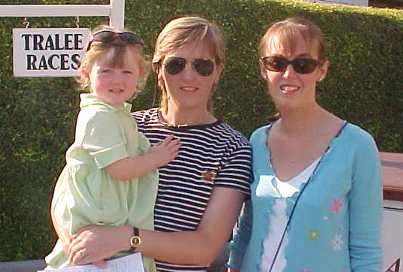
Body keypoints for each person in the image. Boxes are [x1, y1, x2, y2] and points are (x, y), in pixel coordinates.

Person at [52, 16, 253, 272]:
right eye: (176, 64)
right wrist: (75, 243)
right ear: (158, 70)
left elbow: (206, 249)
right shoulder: (122, 125)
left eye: (202, 65)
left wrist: (127, 238)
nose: (188, 75)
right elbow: (66, 193)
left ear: (218, 71)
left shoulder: (233, 148)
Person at [227, 17, 383, 272]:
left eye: (303, 64)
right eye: (276, 63)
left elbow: (366, 250)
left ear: (322, 70)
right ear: (263, 69)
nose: (289, 74)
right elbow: (245, 232)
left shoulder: (358, 146)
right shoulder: (256, 141)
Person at [46, 26, 180, 272]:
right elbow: (119, 169)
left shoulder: (118, 115)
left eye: (126, 71)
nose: (117, 80)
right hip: (94, 222)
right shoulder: (98, 116)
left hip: (108, 232)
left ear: (140, 75)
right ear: (86, 73)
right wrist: (155, 158)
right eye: (106, 71)